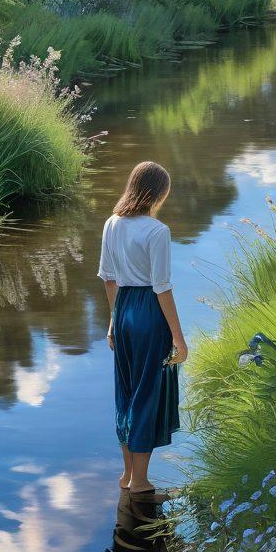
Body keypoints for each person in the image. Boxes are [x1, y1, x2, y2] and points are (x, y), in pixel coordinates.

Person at [98, 161, 188, 494]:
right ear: (158, 193)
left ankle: (126, 475)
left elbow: (108, 278)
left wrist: (113, 321)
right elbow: (162, 287)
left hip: (123, 313)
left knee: (127, 391)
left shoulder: (111, 223)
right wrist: (179, 338)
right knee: (147, 393)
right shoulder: (157, 231)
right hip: (149, 313)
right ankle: (140, 480)